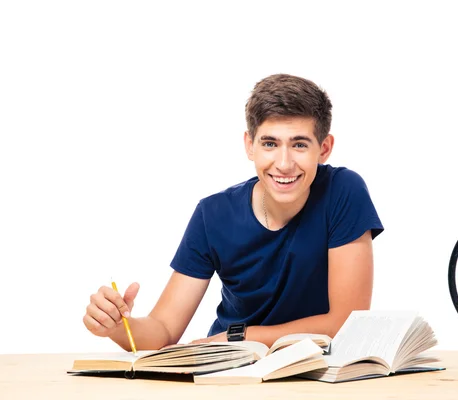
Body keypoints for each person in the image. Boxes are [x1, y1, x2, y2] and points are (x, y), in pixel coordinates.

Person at [83, 74, 384, 349]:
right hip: (232, 366)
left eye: (299, 145)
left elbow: (346, 323)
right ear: (249, 145)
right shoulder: (213, 214)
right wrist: (117, 327)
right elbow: (163, 328)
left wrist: (239, 336)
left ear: (325, 148)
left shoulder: (344, 191)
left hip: (301, 364)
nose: (283, 163)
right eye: (269, 143)